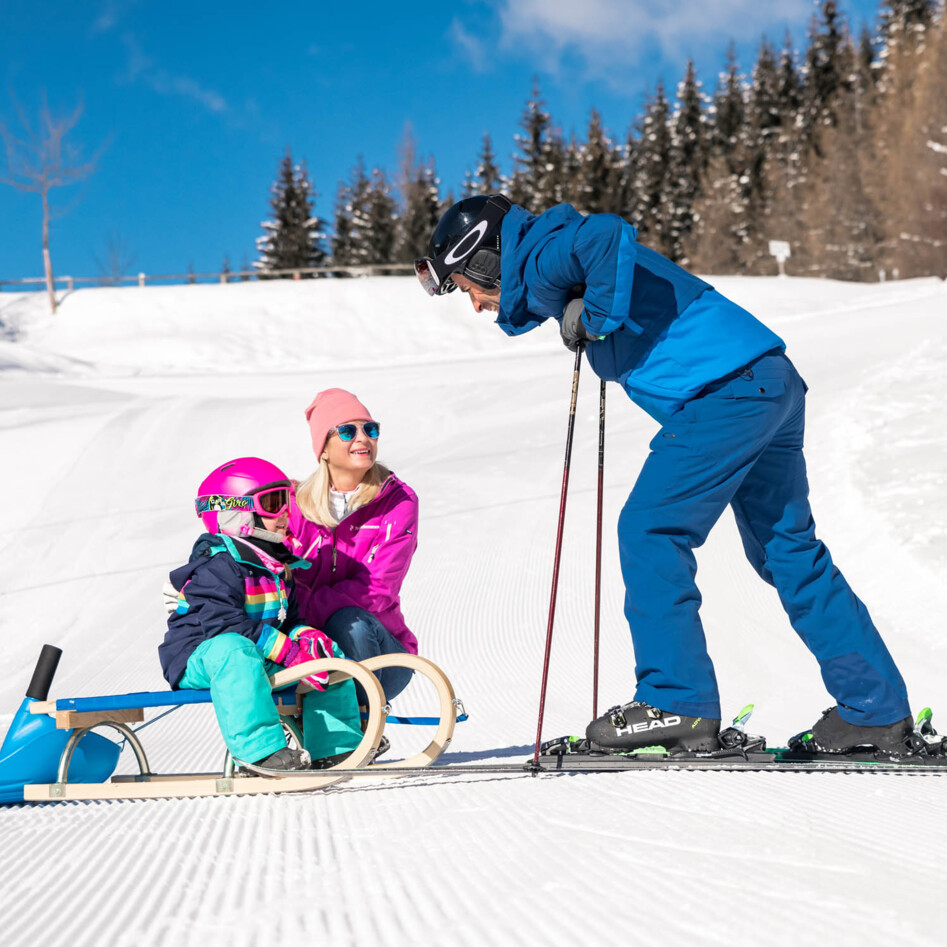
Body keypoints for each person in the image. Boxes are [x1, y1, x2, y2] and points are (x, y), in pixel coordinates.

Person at [415, 194, 914, 756]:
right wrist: (587, 312)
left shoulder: (542, 252)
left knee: (650, 528)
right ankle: (874, 710)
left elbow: (607, 234)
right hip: (767, 379)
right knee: (789, 552)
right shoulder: (552, 262)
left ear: (484, 256)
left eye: (465, 285)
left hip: (726, 392)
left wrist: (597, 317)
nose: (476, 303)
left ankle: (677, 702)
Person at [158, 456, 360, 773]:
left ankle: (335, 747)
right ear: (234, 512)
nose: (283, 513)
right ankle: (259, 753)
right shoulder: (218, 566)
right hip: (202, 657)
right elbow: (226, 626)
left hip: (252, 654)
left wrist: (303, 637)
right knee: (233, 648)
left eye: (286, 501)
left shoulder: (275, 566)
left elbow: (289, 622)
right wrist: (289, 652)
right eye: (272, 502)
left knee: (325, 649)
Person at [288, 388, 419, 709]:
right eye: (347, 430)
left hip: (381, 655)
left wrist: (304, 612)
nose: (363, 438)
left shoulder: (398, 501)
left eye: (370, 429)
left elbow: (378, 589)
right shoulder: (294, 505)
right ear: (324, 449)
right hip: (311, 646)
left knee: (350, 621)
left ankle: (360, 725)